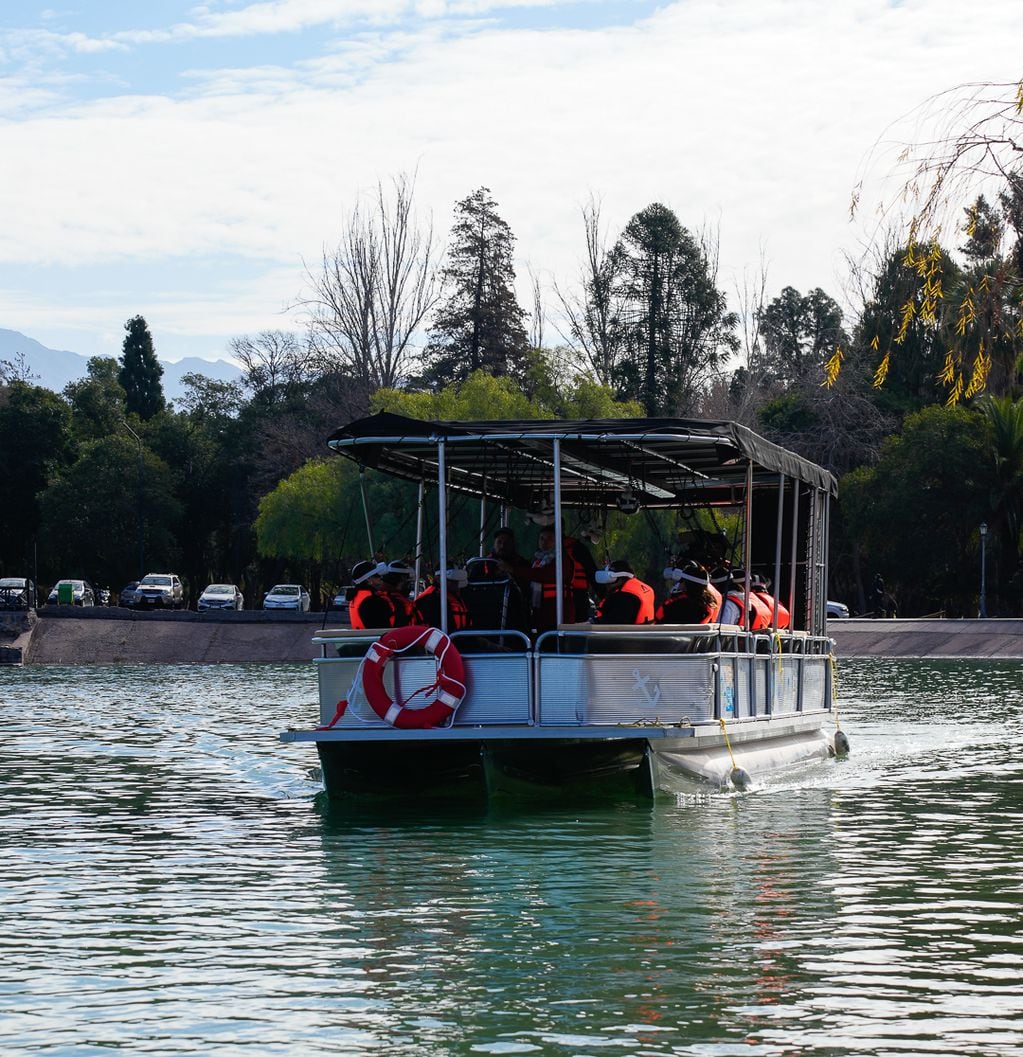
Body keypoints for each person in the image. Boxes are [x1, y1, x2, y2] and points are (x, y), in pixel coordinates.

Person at [517, 525, 576, 630]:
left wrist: (514, 570)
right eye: (542, 538)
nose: (545, 542)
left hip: (559, 614)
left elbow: (545, 575)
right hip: (541, 614)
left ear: (557, 541)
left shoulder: (562, 560)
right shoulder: (537, 560)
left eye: (550, 539)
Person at [593, 560, 656, 624]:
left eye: (611, 580)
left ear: (622, 578)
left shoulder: (624, 597)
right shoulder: (646, 588)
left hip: (626, 633)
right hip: (642, 632)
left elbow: (615, 621)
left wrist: (594, 621)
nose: (608, 584)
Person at [348, 560, 406, 629]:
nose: (381, 577)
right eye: (376, 575)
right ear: (368, 580)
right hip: (374, 638)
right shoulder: (372, 601)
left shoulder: (357, 596)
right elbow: (382, 627)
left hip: (363, 638)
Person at [412, 567, 471, 631]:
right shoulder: (429, 598)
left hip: (461, 635)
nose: (455, 583)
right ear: (438, 579)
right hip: (444, 637)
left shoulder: (454, 595)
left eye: (456, 581)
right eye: (450, 580)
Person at [379, 560, 415, 626]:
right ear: (402, 578)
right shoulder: (389, 600)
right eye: (407, 580)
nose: (408, 585)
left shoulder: (394, 597)